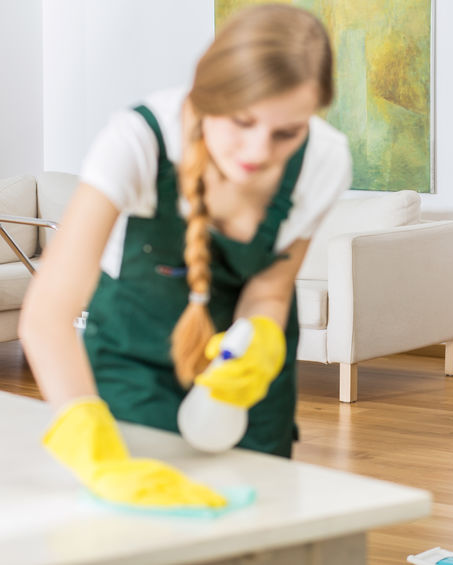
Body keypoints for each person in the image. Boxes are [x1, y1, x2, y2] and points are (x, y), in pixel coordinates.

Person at [19, 4, 351, 510]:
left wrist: (256, 342)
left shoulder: (324, 159)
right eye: (241, 121)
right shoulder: (138, 141)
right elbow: (46, 316)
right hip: (135, 357)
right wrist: (91, 444)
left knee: (255, 524)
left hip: (243, 375)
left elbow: (270, 286)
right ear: (205, 96)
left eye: (287, 132)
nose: (258, 151)